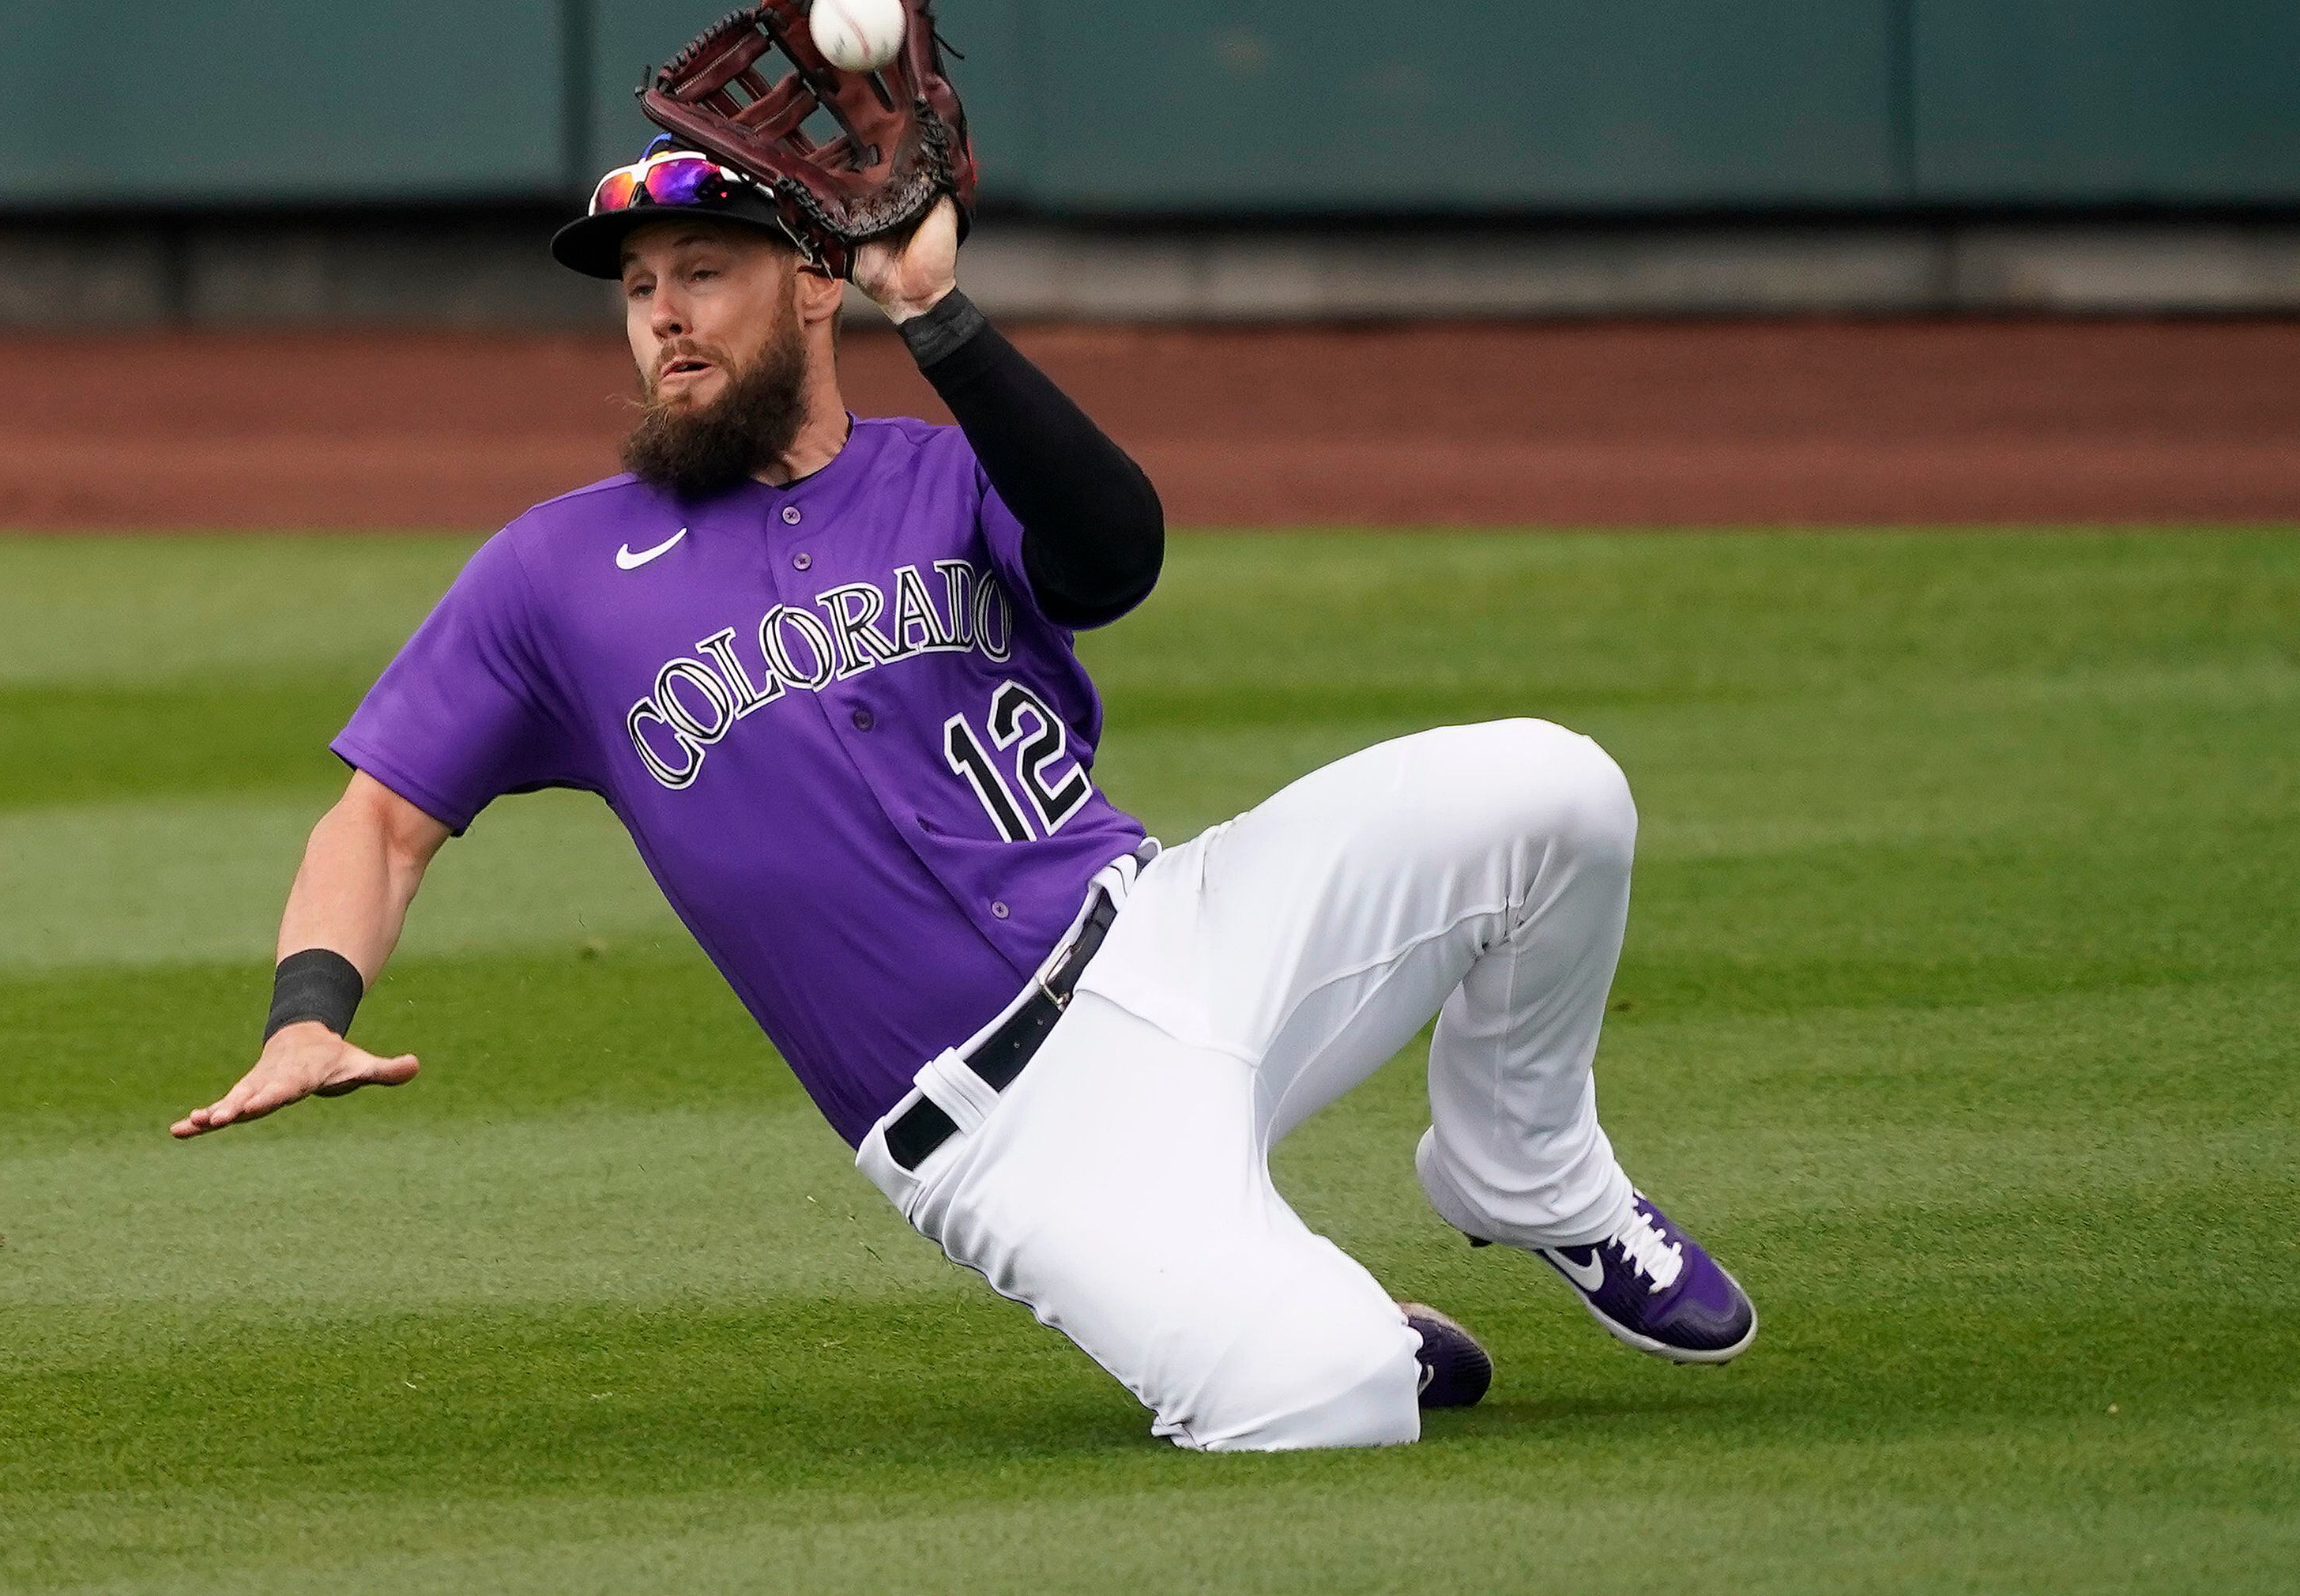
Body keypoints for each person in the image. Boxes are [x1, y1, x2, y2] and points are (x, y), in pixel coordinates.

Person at [171, 139, 1756, 1451]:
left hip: (1187, 931)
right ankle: (1324, 1311)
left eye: (702, 268)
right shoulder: (555, 575)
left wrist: (943, 316)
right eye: (638, 288)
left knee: (1556, 791)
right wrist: (307, 1006)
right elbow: (378, 816)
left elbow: (1115, 552)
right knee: (1330, 1397)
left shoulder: (944, 471)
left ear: (815, 280)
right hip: (1013, 1134)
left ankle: (1523, 1168)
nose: (661, 313)